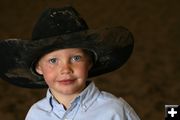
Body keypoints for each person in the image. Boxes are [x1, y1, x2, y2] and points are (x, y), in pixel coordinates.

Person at [0, 6, 140, 120]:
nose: (65, 69)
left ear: (89, 61)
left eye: (76, 58)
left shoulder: (114, 110)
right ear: (38, 67)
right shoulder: (36, 114)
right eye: (53, 60)